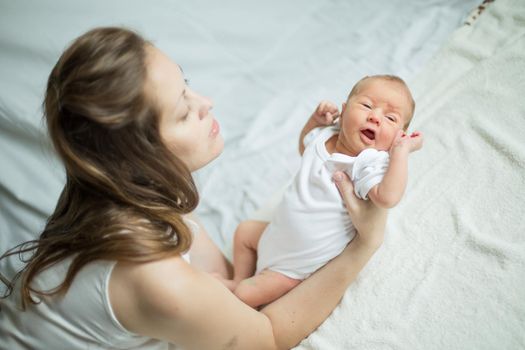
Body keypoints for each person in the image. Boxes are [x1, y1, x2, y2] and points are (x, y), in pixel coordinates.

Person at [0, 27, 387, 350]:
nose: (206, 103)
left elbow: (227, 281)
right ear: (135, 157)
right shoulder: (157, 279)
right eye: (184, 112)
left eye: (186, 85)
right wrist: (363, 245)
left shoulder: (129, 192)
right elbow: (265, 338)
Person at [229, 75, 423, 308]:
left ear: (397, 138)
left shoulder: (367, 162)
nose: (375, 117)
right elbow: (304, 147)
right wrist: (314, 122)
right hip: (275, 233)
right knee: (244, 232)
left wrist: (401, 152)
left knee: (244, 295)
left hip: (297, 266)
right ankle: (238, 278)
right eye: (366, 105)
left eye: (390, 118)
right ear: (344, 110)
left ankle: (243, 286)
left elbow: (388, 197)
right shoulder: (326, 134)